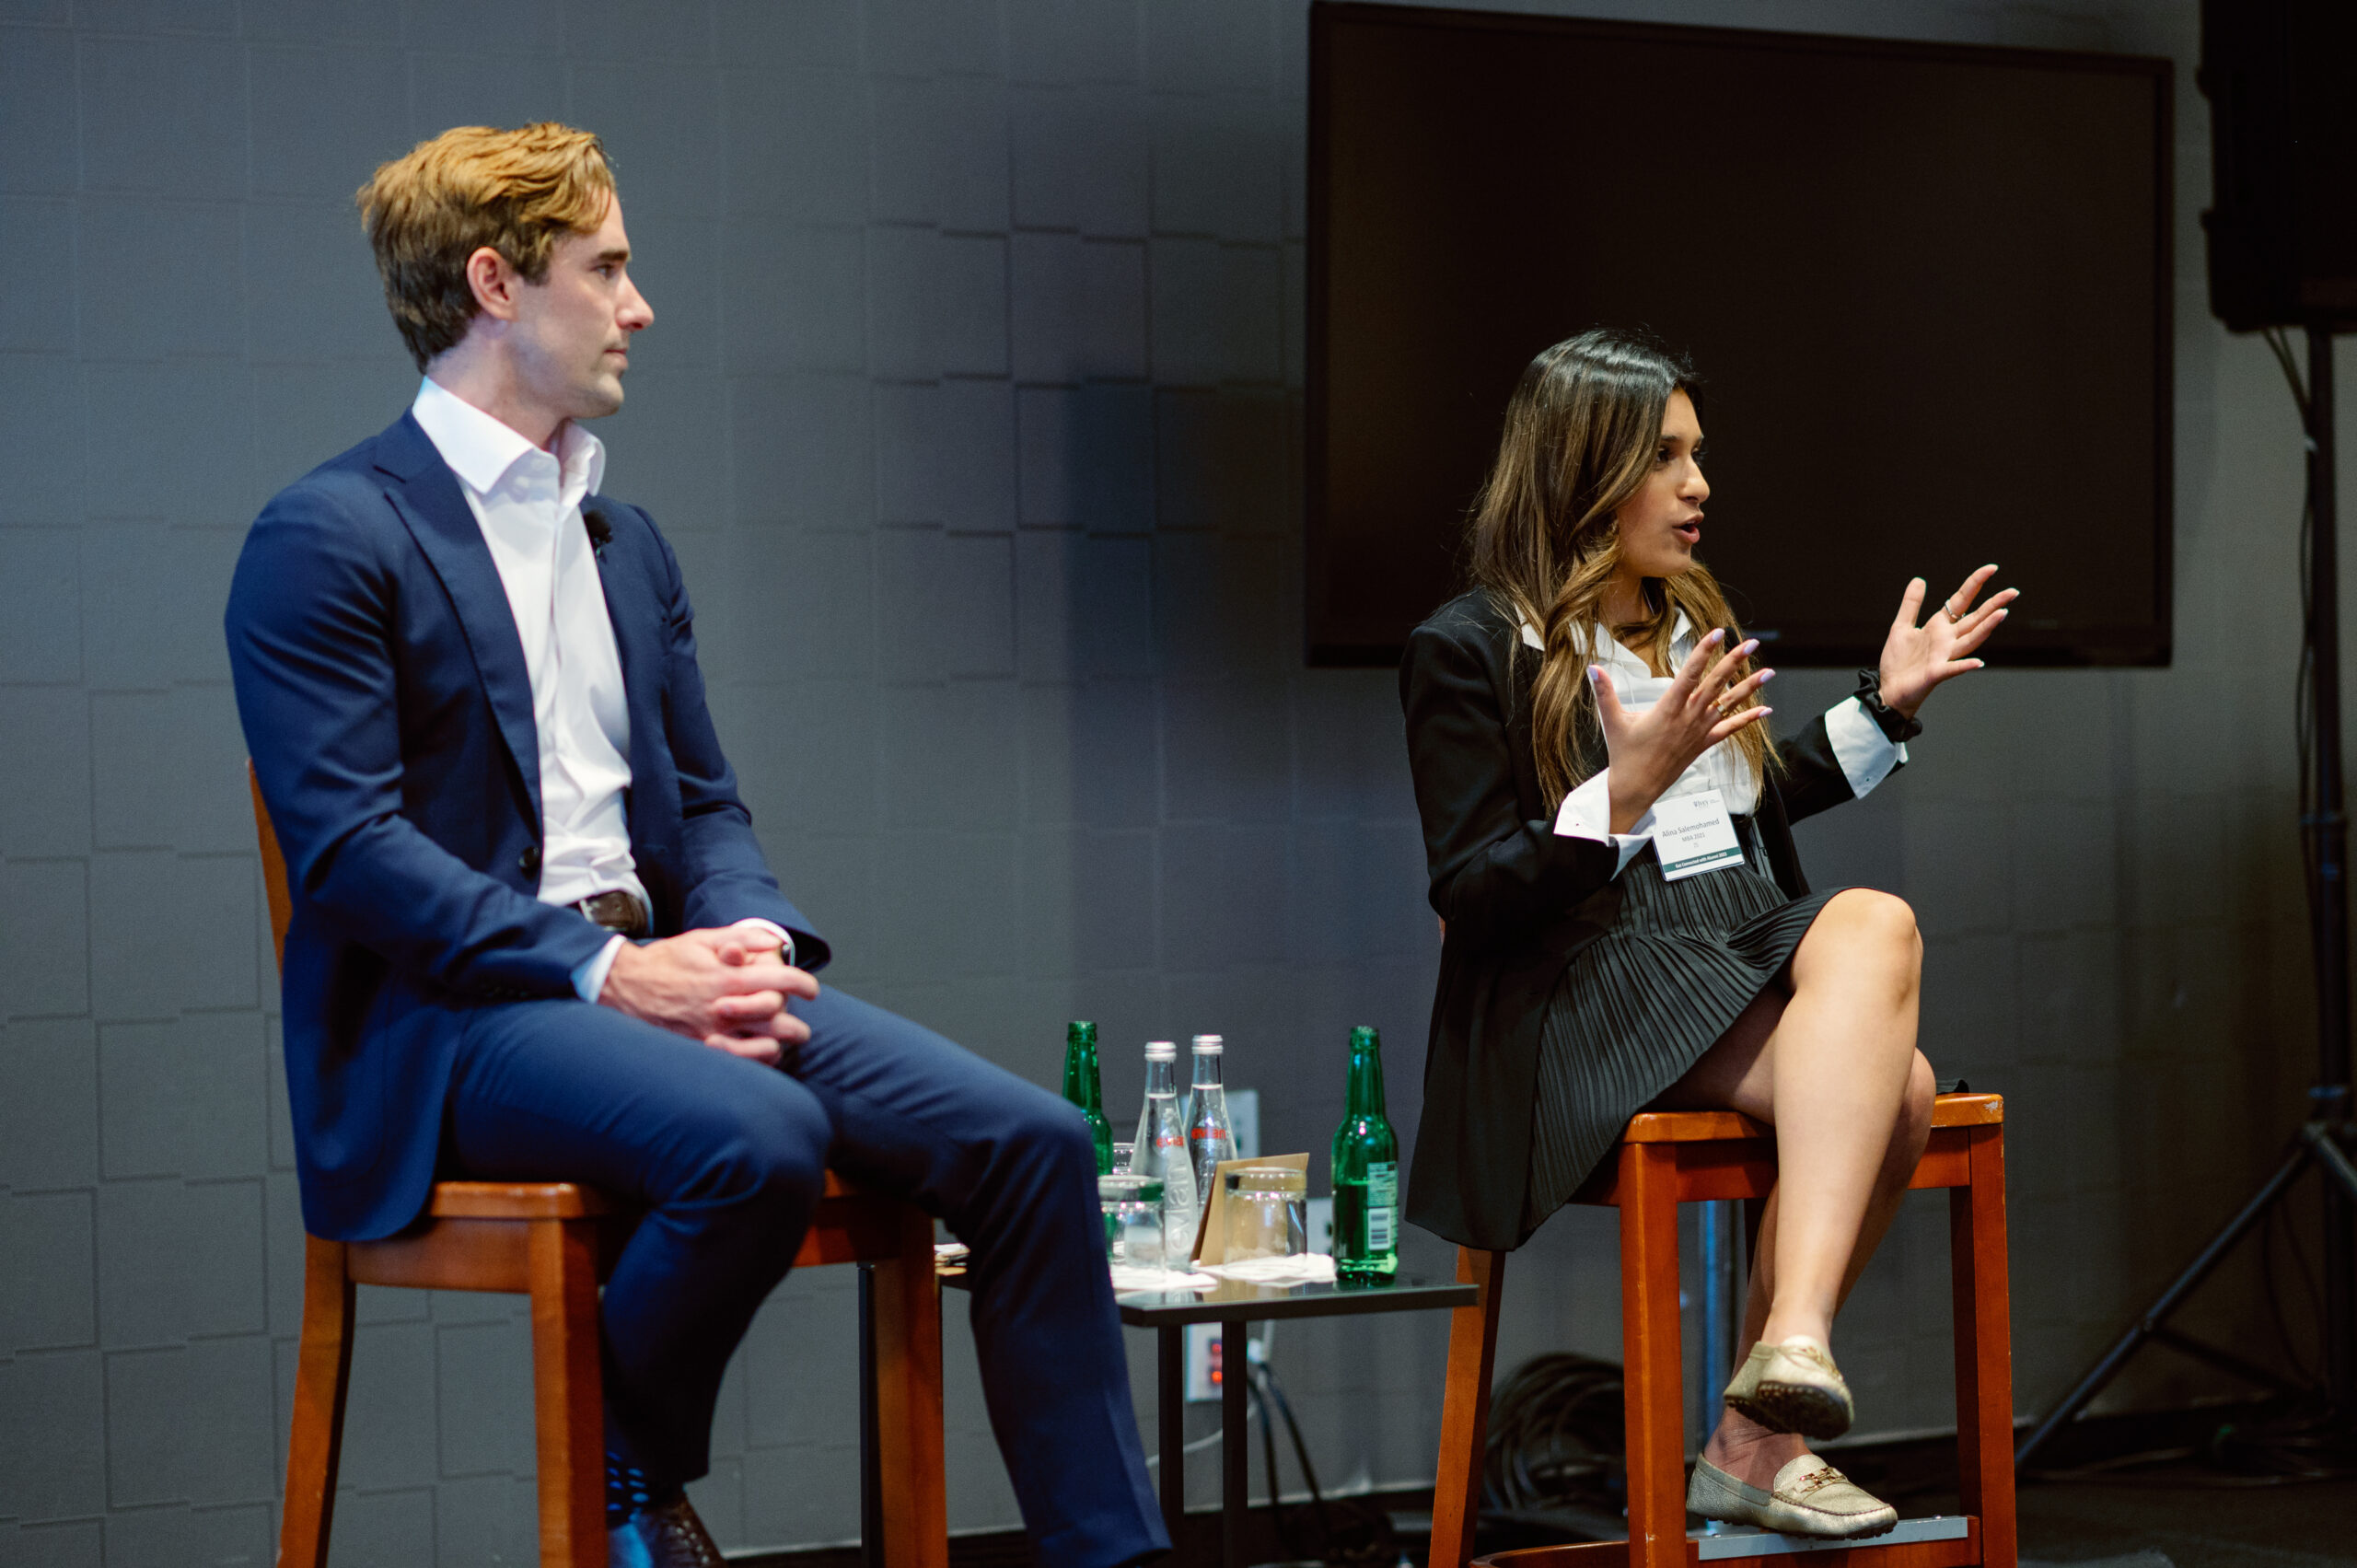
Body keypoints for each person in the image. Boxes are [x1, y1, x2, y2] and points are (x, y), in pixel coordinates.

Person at [225, 123, 1165, 1568]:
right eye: (606, 268)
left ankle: (1113, 1557)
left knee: (1035, 1146)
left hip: (648, 975)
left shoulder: (624, 542)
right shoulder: (329, 536)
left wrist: (751, 937)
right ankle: (629, 1481)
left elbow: (708, 806)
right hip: (456, 1021)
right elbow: (353, 857)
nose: (639, 305)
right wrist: (609, 972)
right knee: (760, 1139)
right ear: (494, 283)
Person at [1399, 329, 2014, 1539]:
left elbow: (1739, 805)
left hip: (1720, 949)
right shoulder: (1471, 648)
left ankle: (1766, 1399)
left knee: (1893, 1027)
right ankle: (1767, 1422)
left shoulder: (1687, 623)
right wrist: (1616, 799)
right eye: (1668, 457)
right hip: (1585, 990)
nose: (1700, 486)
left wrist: (1883, 709)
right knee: (1898, 1079)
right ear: (1587, 466)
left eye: (1699, 455)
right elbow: (1468, 892)